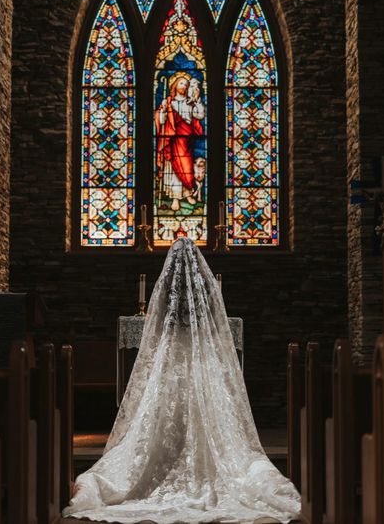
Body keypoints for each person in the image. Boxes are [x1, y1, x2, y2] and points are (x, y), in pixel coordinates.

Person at [63, 238, 301, 523]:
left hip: (170, 358)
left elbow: (158, 326)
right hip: (202, 360)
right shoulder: (204, 297)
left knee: (160, 414)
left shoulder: (165, 293)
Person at [155, 73, 205, 212]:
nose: (184, 86)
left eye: (186, 84)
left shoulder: (190, 102)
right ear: (175, 85)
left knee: (187, 167)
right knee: (173, 169)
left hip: (186, 139)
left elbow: (200, 115)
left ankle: (188, 193)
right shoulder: (169, 102)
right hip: (172, 139)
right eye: (182, 83)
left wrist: (197, 102)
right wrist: (163, 113)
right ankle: (175, 198)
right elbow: (160, 119)